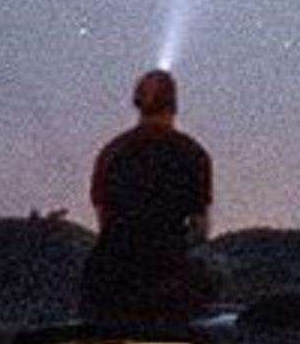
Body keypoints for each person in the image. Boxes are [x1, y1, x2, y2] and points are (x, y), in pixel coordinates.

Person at [81, 68, 214, 325]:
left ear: (136, 103)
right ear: (174, 104)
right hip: (165, 280)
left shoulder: (111, 152)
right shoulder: (193, 154)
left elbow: (104, 220)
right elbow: (200, 229)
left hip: (109, 278)